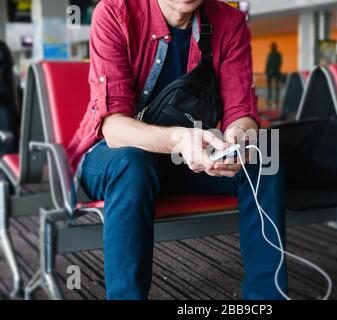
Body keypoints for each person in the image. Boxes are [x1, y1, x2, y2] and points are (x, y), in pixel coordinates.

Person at [68, 0, 288, 300]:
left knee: (263, 155)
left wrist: (237, 141)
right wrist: (180, 140)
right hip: (112, 156)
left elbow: (241, 112)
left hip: (184, 157)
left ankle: (267, 298)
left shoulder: (229, 21)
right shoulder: (115, 12)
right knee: (133, 162)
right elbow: (114, 129)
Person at [0, 40, 19, 157]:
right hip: (6, 103)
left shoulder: (2, 49)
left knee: (7, 149)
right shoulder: (2, 48)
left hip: (4, 103)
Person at [265, 42, 282, 109]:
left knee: (276, 87)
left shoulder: (278, 55)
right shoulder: (270, 55)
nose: (272, 48)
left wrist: (274, 69)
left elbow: (279, 63)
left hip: (276, 72)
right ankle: (269, 98)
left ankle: (276, 98)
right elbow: (267, 64)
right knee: (269, 87)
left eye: (273, 46)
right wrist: (267, 72)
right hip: (270, 73)